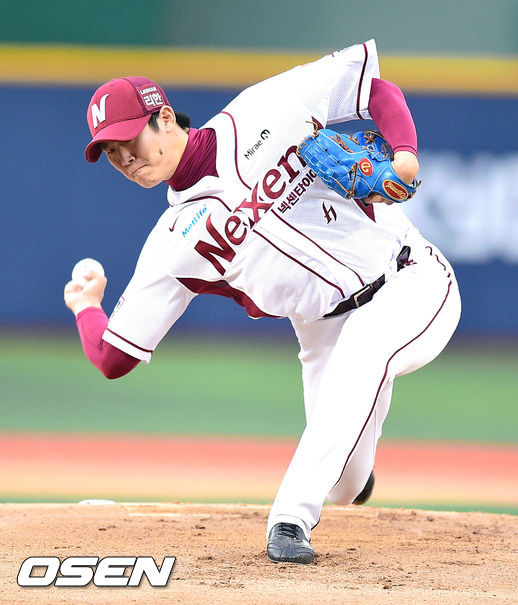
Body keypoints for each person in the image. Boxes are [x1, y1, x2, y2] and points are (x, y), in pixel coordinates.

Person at [64, 39, 461, 565]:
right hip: (321, 329)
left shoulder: (263, 110)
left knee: (363, 351)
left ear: (164, 117)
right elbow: (114, 357)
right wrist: (87, 307)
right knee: (344, 486)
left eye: (128, 139)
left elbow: (374, 89)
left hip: (410, 277)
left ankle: (289, 519)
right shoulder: (171, 245)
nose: (124, 159)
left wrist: (404, 157)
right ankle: (349, 469)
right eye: (111, 153)